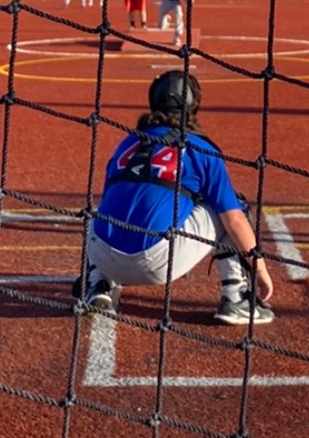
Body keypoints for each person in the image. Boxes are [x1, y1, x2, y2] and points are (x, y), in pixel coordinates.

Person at [75, 71, 275, 325]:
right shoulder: (201, 148)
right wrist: (261, 269)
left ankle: (98, 286)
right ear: (194, 106)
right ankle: (237, 298)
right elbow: (234, 219)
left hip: (103, 254)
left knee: (106, 208)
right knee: (235, 205)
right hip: (158, 263)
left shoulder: (128, 143)